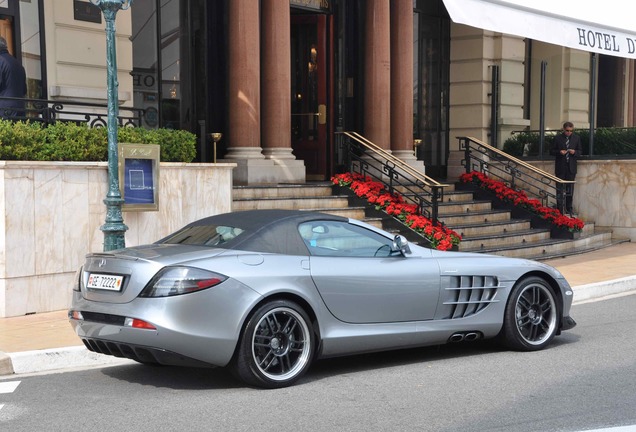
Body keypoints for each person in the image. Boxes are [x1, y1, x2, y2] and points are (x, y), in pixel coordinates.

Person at [551, 121, 582, 215]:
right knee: (559, 188)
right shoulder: (558, 138)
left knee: (570, 188)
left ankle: (569, 207)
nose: (569, 132)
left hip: (571, 167)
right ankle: (560, 207)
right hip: (561, 167)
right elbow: (551, 151)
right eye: (567, 130)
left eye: (571, 131)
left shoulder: (576, 138)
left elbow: (580, 151)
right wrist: (559, 152)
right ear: (564, 130)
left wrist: (574, 152)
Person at [0, 35, 27, 119]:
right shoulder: (18, 63)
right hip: (20, 107)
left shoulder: (1, 61)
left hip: (4, 110)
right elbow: (24, 89)